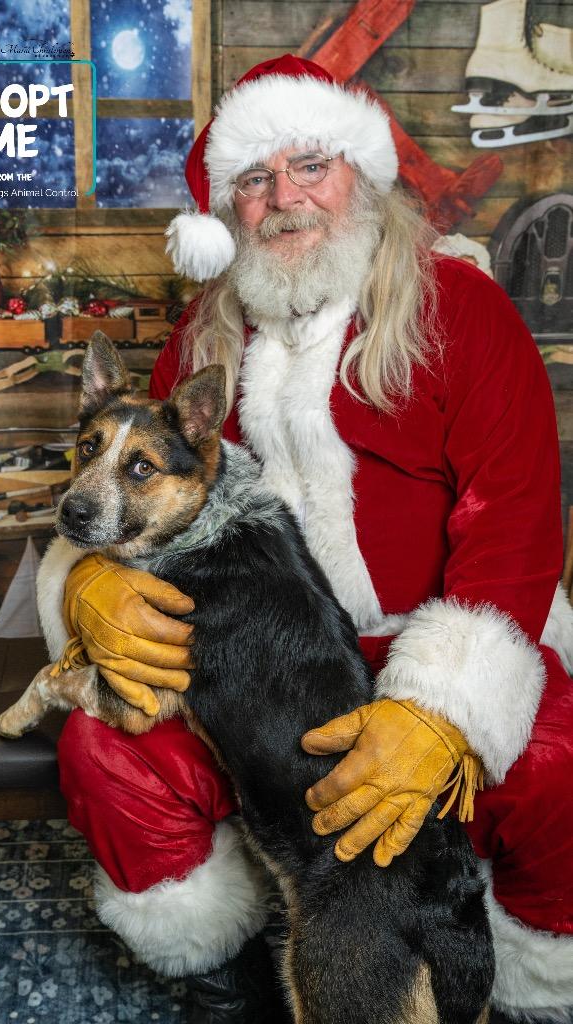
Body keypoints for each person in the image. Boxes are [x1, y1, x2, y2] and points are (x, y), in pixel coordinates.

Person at [38, 54, 573, 1023]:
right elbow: (114, 491)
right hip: (253, 668)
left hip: (422, 648)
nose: (283, 198)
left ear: (360, 176)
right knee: (100, 751)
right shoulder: (200, 351)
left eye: (309, 165)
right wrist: (87, 589)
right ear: (228, 211)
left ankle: (527, 982)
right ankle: (226, 960)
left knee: (557, 760)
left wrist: (437, 712)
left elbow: (519, 529)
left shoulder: (468, 316)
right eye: (254, 178)